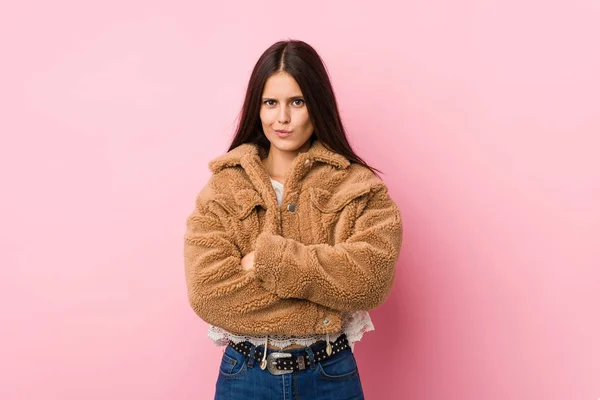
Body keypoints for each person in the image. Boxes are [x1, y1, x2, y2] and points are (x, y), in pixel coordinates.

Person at [183, 39, 403, 400]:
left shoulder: (358, 188)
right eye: (271, 103)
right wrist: (323, 295)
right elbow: (209, 293)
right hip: (246, 378)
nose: (281, 118)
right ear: (257, 107)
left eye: (296, 102)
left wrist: (267, 261)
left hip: (330, 376)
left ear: (317, 106)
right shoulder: (224, 187)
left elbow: (370, 279)